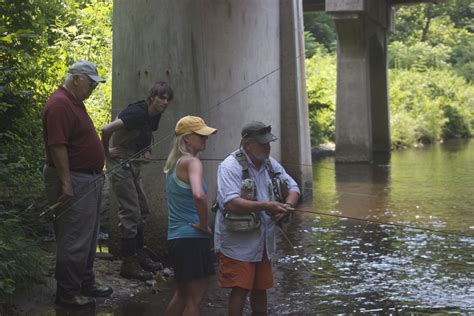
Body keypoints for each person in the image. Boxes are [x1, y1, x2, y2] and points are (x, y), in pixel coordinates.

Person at [42, 60, 113, 309]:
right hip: (75, 178)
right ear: (76, 78)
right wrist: (66, 182)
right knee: (73, 237)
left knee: (89, 235)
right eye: (91, 82)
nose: (93, 87)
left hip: (88, 178)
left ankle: (85, 281)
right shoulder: (60, 104)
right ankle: (67, 293)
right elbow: (57, 145)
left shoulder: (73, 103)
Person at [214, 121, 300, 316]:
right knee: (240, 288)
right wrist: (266, 205)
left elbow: (293, 187)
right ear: (248, 144)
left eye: (269, 143)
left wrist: (287, 206)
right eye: (263, 144)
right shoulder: (229, 166)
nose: (268, 147)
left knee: (261, 288)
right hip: (238, 243)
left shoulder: (270, 163)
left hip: (263, 242)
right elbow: (230, 203)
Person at [101, 82, 174, 281]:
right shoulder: (136, 113)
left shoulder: (154, 115)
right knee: (131, 212)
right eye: (162, 98)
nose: (165, 102)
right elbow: (105, 129)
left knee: (143, 209)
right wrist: (106, 151)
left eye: (168, 99)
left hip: (133, 162)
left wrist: (147, 151)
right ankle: (128, 263)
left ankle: (139, 254)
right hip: (119, 163)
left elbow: (147, 133)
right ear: (152, 97)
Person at [163, 115, 217, 315]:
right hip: (193, 237)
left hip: (176, 238)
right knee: (195, 299)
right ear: (186, 138)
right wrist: (204, 224)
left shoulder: (172, 165)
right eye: (200, 135)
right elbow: (198, 195)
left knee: (182, 294)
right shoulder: (192, 162)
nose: (205, 139)